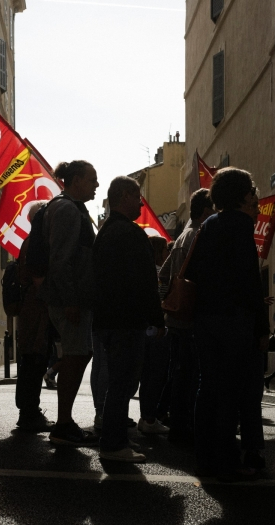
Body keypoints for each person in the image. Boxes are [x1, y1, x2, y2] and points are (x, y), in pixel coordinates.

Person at [186, 167, 269, 482]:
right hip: (234, 319)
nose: (254, 194)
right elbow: (250, 284)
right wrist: (261, 329)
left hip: (205, 317)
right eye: (251, 189)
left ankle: (206, 458)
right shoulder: (242, 225)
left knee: (208, 388)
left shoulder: (208, 224)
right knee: (233, 391)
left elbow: (192, 272)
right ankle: (228, 459)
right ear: (243, 195)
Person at [93, 176, 165, 462]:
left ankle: (116, 440)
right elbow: (145, 281)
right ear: (123, 196)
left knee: (119, 383)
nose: (140, 202)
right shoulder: (130, 234)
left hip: (110, 320)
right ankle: (113, 445)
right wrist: (157, 320)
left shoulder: (106, 232)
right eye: (137, 196)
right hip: (126, 321)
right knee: (123, 383)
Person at [39, 160, 99, 446]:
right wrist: (71, 301)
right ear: (76, 180)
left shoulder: (69, 207)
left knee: (79, 355)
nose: (96, 185)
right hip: (69, 301)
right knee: (76, 356)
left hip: (72, 299)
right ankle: (63, 424)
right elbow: (60, 260)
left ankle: (65, 422)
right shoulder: (66, 209)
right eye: (92, 180)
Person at [158, 188, 214, 444]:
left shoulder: (181, 236)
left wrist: (167, 302)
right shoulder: (199, 235)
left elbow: (163, 275)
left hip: (176, 318)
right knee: (190, 375)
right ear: (206, 210)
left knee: (180, 373)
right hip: (191, 317)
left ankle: (177, 424)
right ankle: (185, 427)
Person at [14, 201, 55, 432]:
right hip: (36, 308)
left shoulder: (30, 242)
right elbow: (38, 281)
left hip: (32, 308)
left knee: (33, 359)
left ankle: (29, 410)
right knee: (34, 358)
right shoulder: (35, 244)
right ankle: (29, 412)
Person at [136, 234, 171, 435]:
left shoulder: (144, 271)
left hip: (144, 328)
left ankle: (147, 416)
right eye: (166, 250)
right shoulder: (159, 274)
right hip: (157, 327)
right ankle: (149, 418)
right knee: (155, 375)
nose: (167, 253)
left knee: (145, 376)